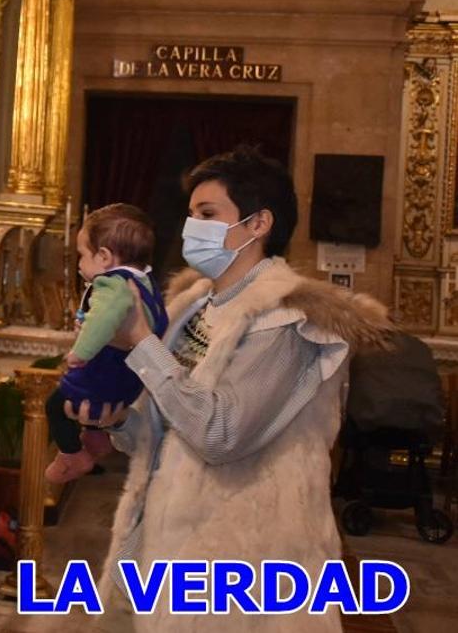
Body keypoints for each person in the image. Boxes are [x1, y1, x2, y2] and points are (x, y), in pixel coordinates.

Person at [69, 145, 394, 631]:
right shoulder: (192, 306)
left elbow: (219, 433)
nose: (190, 228)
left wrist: (140, 342)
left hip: (245, 562)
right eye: (190, 215)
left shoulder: (289, 321)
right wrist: (115, 419)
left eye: (207, 214)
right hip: (167, 542)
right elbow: (164, 429)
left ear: (258, 224)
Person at [43, 204, 168, 485]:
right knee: (90, 404)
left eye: (82, 255)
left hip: (106, 373)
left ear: (104, 257)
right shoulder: (145, 281)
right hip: (129, 380)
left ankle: (72, 456)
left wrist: (80, 351)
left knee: (55, 405)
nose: (79, 263)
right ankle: (96, 437)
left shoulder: (112, 285)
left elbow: (105, 319)